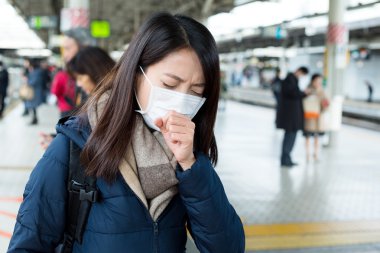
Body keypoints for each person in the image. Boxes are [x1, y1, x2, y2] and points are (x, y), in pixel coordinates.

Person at [8, 12, 245, 253]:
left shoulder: (188, 157)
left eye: (195, 90)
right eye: (170, 85)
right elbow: (27, 246)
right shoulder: (75, 146)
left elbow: (228, 247)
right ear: (135, 74)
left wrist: (191, 166)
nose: (180, 101)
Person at [39, 47, 116, 149]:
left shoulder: (106, 102)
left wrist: (61, 147)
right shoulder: (102, 98)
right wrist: (58, 140)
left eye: (80, 78)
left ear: (95, 71)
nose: (79, 84)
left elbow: (100, 145)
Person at [276, 66, 309, 168]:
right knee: (289, 138)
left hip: (292, 117)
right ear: (299, 71)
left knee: (291, 138)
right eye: (302, 74)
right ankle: (285, 159)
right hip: (290, 117)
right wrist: (303, 93)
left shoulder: (292, 80)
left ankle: (287, 159)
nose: (302, 77)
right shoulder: (290, 80)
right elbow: (293, 94)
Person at [303, 74, 329, 162]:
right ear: (312, 81)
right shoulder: (307, 90)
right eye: (317, 81)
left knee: (316, 137)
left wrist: (325, 104)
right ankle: (307, 154)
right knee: (307, 136)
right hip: (308, 117)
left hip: (318, 117)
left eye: (320, 82)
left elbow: (326, 104)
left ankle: (315, 154)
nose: (318, 83)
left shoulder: (322, 91)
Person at [25, 59, 46, 125]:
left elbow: (34, 81)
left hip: (35, 91)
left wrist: (27, 82)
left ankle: (34, 119)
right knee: (33, 106)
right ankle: (34, 119)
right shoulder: (34, 71)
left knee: (33, 105)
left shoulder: (36, 72)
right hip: (34, 91)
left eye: (27, 62)